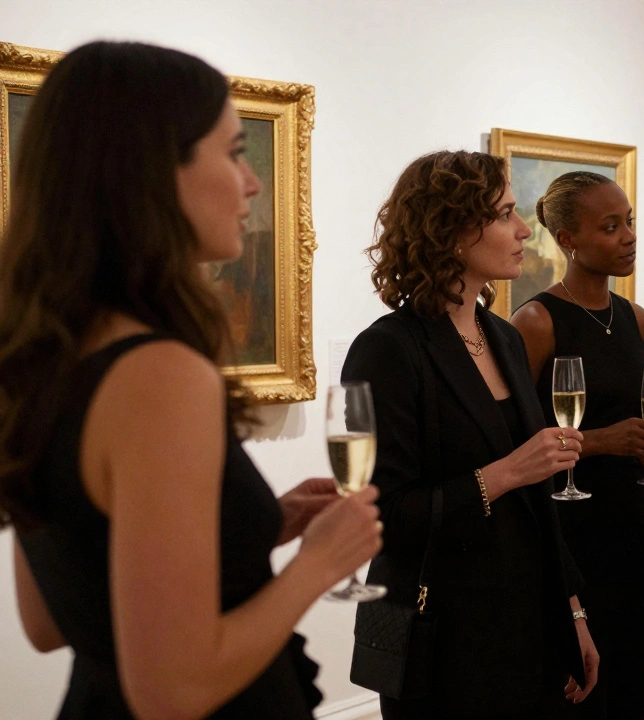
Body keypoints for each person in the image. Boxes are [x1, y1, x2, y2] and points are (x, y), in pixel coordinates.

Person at [0, 41, 382, 720]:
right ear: (150, 170)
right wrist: (317, 566)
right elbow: (172, 693)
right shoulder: (158, 374)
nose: (254, 183)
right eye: (235, 152)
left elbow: (50, 621)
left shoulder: (42, 356)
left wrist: (253, 531)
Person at [343, 150, 600, 719]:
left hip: (528, 624)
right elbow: (385, 517)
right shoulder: (387, 351)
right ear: (454, 230)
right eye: (506, 214)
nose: (523, 229)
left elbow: (538, 509)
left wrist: (574, 612)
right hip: (445, 636)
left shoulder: (503, 338)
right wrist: (505, 473)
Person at [511, 171, 644, 720]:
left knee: (628, 677)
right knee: (576, 690)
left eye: (630, 222)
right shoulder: (535, 321)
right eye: (611, 226)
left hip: (630, 524)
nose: (628, 236)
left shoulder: (634, 319)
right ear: (568, 240)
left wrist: (642, 442)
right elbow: (516, 440)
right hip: (569, 531)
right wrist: (601, 441)